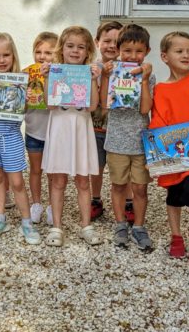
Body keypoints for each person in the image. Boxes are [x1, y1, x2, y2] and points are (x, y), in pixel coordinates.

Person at [149, 31, 189, 261]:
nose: (186, 55)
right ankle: (176, 235)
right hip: (171, 150)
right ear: (164, 56)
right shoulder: (159, 89)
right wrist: (157, 155)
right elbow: (157, 122)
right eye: (179, 51)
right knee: (174, 194)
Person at [0, 32, 41, 245]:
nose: (1, 60)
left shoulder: (22, 82)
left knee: (17, 182)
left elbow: (24, 111)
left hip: (11, 137)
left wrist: (30, 100)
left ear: (13, 56)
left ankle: (26, 221)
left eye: (6, 55)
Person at [41, 26, 103, 247]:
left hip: (80, 126)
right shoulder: (55, 70)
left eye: (81, 47)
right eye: (70, 46)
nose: (75, 51)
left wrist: (96, 80)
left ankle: (86, 225)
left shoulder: (89, 72)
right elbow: (49, 103)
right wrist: (48, 77)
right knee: (57, 180)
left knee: (83, 180)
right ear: (62, 49)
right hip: (59, 126)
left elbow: (93, 106)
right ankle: (56, 226)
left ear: (88, 51)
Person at [100, 24, 155, 251]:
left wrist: (143, 81)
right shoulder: (111, 72)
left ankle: (139, 226)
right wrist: (105, 77)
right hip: (116, 141)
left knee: (140, 188)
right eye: (128, 50)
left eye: (139, 51)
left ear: (147, 51)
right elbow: (105, 104)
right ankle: (120, 223)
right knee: (118, 185)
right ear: (118, 49)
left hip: (140, 141)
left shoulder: (148, 75)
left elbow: (144, 110)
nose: (133, 56)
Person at [91, 20, 128, 221]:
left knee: (123, 169)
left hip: (121, 128)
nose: (112, 45)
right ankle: (95, 199)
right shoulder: (90, 68)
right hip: (95, 127)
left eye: (117, 41)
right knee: (96, 166)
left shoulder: (129, 69)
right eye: (107, 40)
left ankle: (129, 201)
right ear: (97, 42)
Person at [24, 31, 58, 224]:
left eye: (48, 52)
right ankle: (36, 204)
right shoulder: (26, 73)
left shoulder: (62, 74)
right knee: (35, 170)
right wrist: (25, 96)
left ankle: (54, 205)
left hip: (54, 131)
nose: (42, 56)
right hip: (33, 129)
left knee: (53, 172)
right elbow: (21, 108)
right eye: (38, 52)